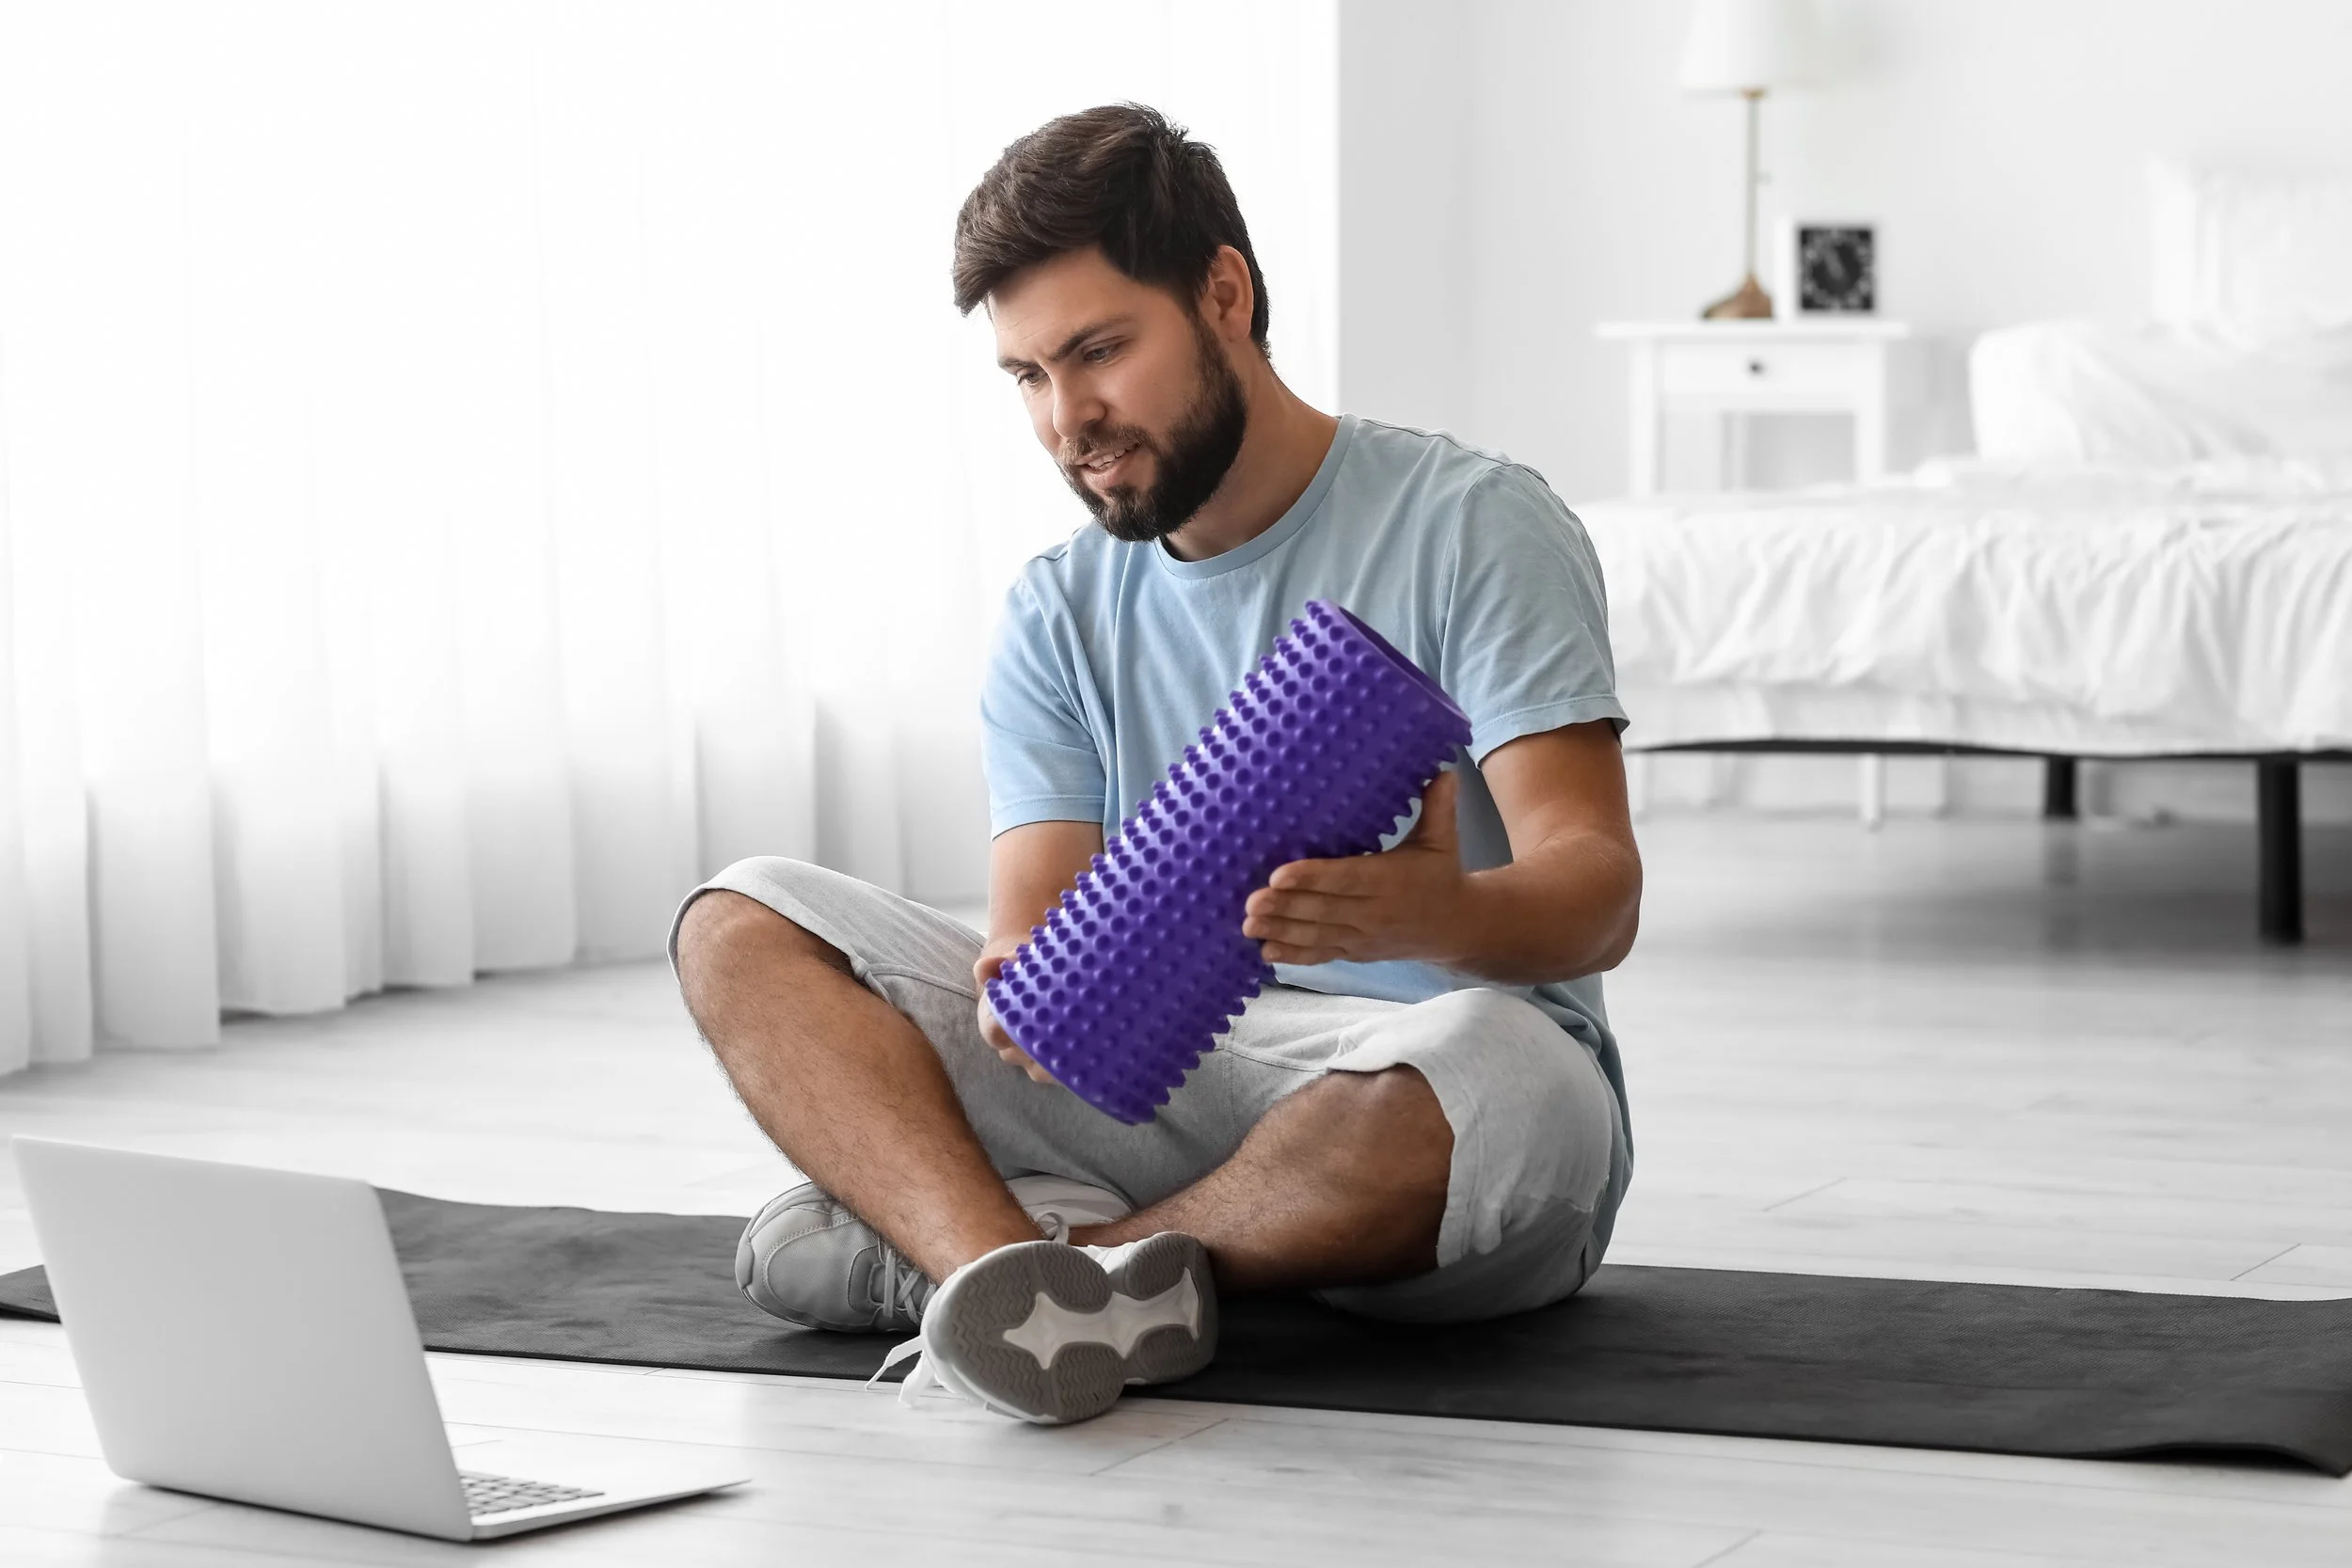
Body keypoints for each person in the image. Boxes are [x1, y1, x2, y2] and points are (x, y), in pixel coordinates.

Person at [672, 103, 1639, 1427]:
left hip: (1427, 1076)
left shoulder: (1473, 525)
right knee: (740, 918)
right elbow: (1041, 972)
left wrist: (1436, 911)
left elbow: (1598, 890)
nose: (1069, 417)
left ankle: (1008, 1261)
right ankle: (1062, 1273)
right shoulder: (1060, 607)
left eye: (1099, 351)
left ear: (1225, 295)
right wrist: (1026, 981)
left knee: (1510, 1078)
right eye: (1027, 376)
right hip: (1173, 1090)